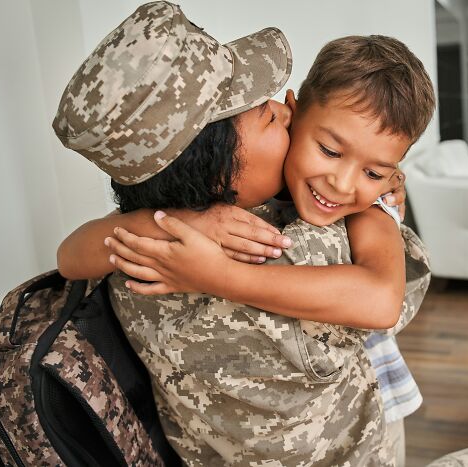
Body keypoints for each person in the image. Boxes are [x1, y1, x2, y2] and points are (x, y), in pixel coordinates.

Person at [56, 3, 434, 466]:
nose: (283, 110)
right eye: (268, 117)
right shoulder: (304, 244)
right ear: (217, 165)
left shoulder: (153, 242)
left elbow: (72, 257)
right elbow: (387, 298)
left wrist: (182, 240)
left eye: (375, 171)